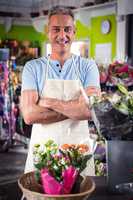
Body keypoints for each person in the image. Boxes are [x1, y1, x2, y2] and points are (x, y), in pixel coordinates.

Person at [20, 6, 101, 175]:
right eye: (56, 29)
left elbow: (91, 111)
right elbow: (29, 115)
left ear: (74, 32)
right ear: (48, 32)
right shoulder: (32, 68)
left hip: (79, 154)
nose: (62, 35)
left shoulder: (88, 66)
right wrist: (76, 109)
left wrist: (49, 102)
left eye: (67, 29)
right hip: (43, 154)